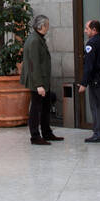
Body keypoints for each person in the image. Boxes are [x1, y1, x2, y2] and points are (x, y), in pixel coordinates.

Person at [21, 14, 62, 145]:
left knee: (45, 106)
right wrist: (39, 85)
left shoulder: (38, 39)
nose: (48, 28)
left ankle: (47, 132)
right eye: (47, 25)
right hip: (37, 81)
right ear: (42, 26)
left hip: (43, 80)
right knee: (36, 108)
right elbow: (34, 64)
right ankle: (35, 136)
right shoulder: (34, 40)